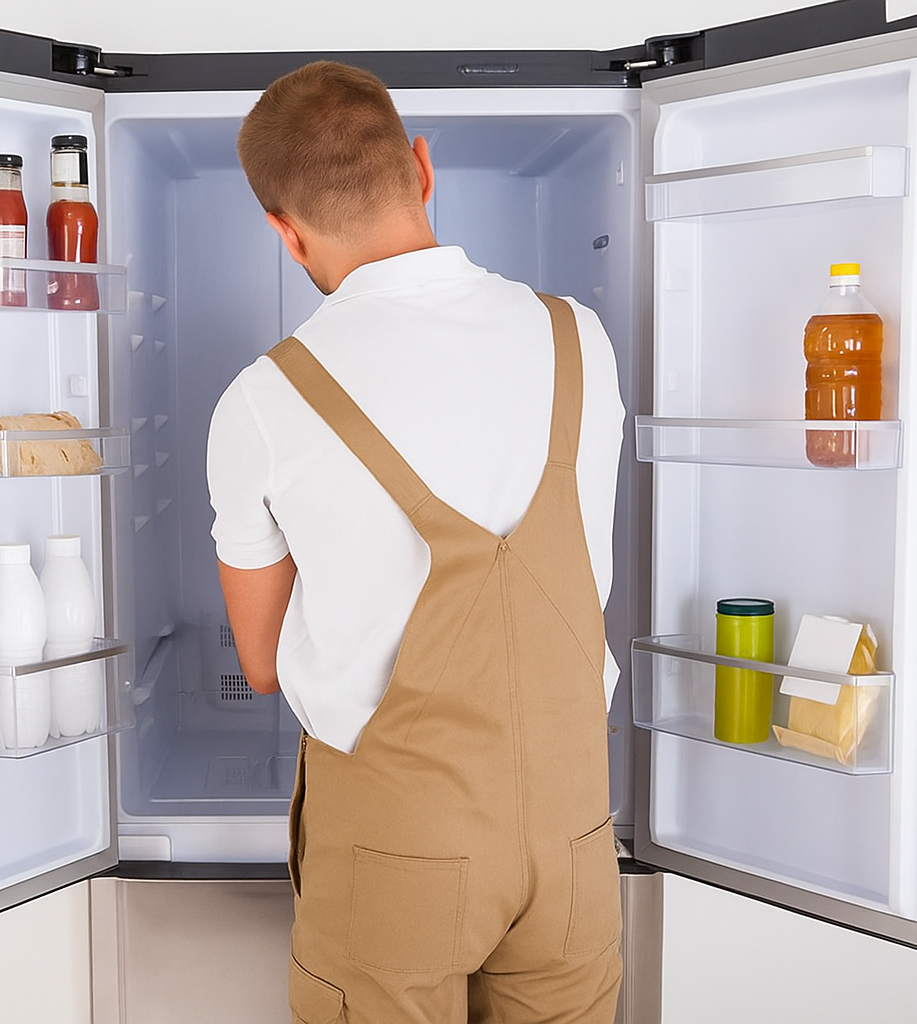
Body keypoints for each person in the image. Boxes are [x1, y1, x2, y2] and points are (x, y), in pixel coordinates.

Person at [206, 60, 625, 1023]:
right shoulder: (580, 339)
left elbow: (263, 664)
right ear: (423, 167)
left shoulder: (266, 400)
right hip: (571, 835)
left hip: (398, 845)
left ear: (284, 232)